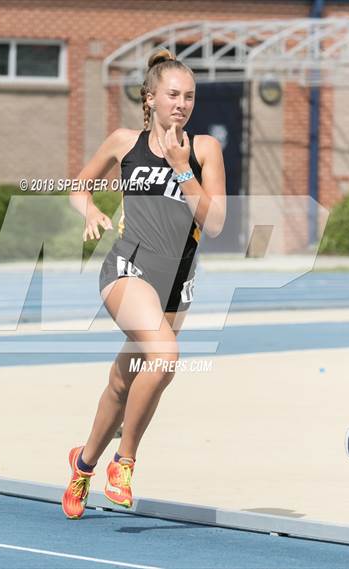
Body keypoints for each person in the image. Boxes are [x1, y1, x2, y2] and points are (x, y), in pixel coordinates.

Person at [62, 48, 226, 519]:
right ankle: (124, 463)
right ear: (150, 98)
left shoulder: (203, 150)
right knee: (166, 356)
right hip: (127, 268)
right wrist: (91, 210)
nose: (182, 103)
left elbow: (214, 224)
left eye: (190, 96)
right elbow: (79, 186)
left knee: (126, 379)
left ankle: (84, 462)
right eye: (173, 94)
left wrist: (182, 169)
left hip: (176, 281)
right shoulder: (123, 142)